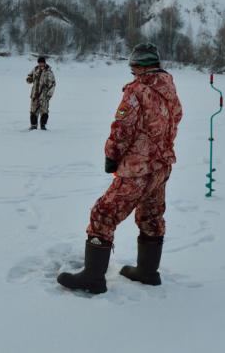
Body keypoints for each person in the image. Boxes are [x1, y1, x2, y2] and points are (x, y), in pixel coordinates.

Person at [57, 43, 183, 295]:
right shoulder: (168, 87)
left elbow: (123, 127)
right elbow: (177, 117)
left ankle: (93, 277)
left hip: (138, 167)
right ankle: (147, 272)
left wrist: (112, 156)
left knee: (103, 214)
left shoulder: (137, 90)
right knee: (151, 216)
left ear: (137, 65)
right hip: (162, 165)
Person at [26, 56, 56, 130]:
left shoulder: (49, 72)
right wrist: (29, 79)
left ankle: (43, 125)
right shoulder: (35, 69)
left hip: (44, 96)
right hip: (35, 95)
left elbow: (53, 84)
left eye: (42, 63)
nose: (41, 64)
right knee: (33, 111)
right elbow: (29, 77)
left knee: (44, 111)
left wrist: (49, 95)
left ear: (44, 63)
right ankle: (33, 125)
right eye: (39, 63)